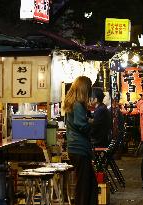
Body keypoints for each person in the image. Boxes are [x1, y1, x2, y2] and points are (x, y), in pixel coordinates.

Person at [63, 76, 98, 205]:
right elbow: (81, 125)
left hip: (75, 148)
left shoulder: (72, 103)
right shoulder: (78, 104)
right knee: (85, 185)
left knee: (88, 183)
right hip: (80, 148)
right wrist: (92, 125)